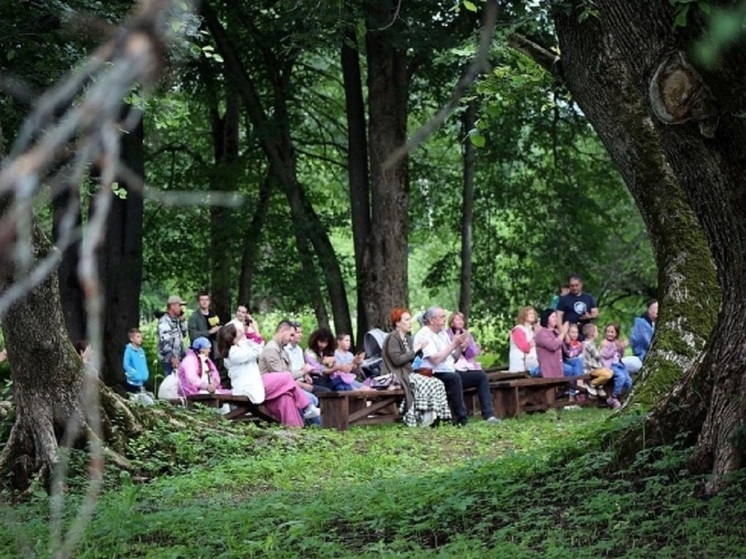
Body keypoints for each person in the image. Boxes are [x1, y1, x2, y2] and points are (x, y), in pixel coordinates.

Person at [219, 320, 319, 428]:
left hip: (256, 383)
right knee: (286, 377)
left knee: (286, 398)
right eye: (238, 332)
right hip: (248, 387)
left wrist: (248, 337)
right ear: (232, 337)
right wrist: (255, 333)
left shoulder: (240, 347)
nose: (242, 332)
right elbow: (258, 350)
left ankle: (296, 432)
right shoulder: (233, 353)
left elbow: (254, 346)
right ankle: (307, 407)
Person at [413, 306, 501, 426]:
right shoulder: (424, 334)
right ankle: (462, 419)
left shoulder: (442, 333)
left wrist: (459, 345)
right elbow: (436, 360)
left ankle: (489, 415)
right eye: (442, 317)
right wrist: (454, 344)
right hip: (432, 373)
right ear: (432, 320)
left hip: (449, 369)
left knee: (480, 376)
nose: (445, 320)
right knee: (454, 378)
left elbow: (453, 358)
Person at [381, 307, 451, 427]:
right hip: (396, 374)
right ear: (397, 322)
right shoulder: (393, 337)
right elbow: (397, 361)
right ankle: (420, 418)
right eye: (407, 320)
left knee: (436, 382)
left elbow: (411, 360)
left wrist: (420, 352)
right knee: (427, 383)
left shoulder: (407, 339)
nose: (410, 322)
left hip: (408, 372)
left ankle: (432, 418)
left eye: (410, 319)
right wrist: (416, 349)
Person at [556, 274, 598, 340]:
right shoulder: (564, 299)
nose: (574, 288)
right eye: (572, 286)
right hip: (569, 332)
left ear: (581, 285)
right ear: (569, 286)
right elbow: (558, 316)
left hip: (585, 331)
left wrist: (590, 316)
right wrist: (563, 333)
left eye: (576, 285)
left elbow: (595, 313)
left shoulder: (588, 298)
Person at [581, 324, 615, 406]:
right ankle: (592, 384)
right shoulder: (588, 344)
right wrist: (602, 347)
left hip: (597, 368)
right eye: (596, 331)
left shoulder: (590, 343)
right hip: (591, 369)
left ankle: (599, 386)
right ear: (592, 334)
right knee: (607, 374)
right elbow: (598, 356)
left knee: (611, 372)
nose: (598, 333)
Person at [306, 328, 346, 392]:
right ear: (315, 340)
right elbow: (320, 370)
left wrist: (334, 362)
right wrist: (337, 368)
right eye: (321, 342)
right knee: (330, 390)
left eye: (325, 342)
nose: (323, 345)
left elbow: (332, 367)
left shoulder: (325, 352)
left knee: (343, 386)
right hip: (316, 379)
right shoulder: (309, 353)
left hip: (328, 379)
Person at [623, 299, 658, 374]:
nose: (658, 310)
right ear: (649, 310)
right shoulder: (641, 323)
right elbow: (645, 342)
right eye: (656, 308)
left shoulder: (656, 324)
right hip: (642, 358)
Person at [535, 309, 569, 378]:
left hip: (559, 364)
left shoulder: (556, 332)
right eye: (553, 317)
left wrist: (563, 332)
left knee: (577, 362)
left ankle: (577, 385)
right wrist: (563, 333)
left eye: (556, 317)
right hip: (549, 368)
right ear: (547, 319)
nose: (556, 319)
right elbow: (553, 346)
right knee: (571, 370)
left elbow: (566, 349)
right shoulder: (542, 333)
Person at [158, 295, 187, 375]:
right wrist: (172, 358)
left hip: (179, 357)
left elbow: (184, 334)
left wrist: (182, 321)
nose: (181, 308)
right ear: (172, 306)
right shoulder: (165, 321)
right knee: (171, 384)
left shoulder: (176, 320)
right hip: (169, 360)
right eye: (179, 305)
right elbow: (164, 341)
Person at [187, 291, 221, 359]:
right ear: (198, 302)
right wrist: (209, 332)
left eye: (206, 300)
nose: (204, 302)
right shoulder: (194, 317)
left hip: (214, 352)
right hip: (200, 353)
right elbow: (193, 335)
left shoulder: (213, 315)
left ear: (209, 302)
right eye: (202, 300)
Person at [508, 306, 539, 373]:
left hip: (530, 362)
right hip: (519, 363)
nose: (533, 315)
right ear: (524, 316)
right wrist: (535, 338)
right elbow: (525, 348)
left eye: (533, 313)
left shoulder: (531, 330)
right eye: (530, 313)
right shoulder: (518, 329)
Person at [122, 328, 150, 393]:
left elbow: (144, 364)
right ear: (131, 339)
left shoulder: (141, 351)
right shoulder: (128, 351)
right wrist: (134, 374)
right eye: (138, 337)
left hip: (142, 382)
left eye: (141, 337)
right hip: (132, 382)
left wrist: (146, 373)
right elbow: (126, 364)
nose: (140, 339)